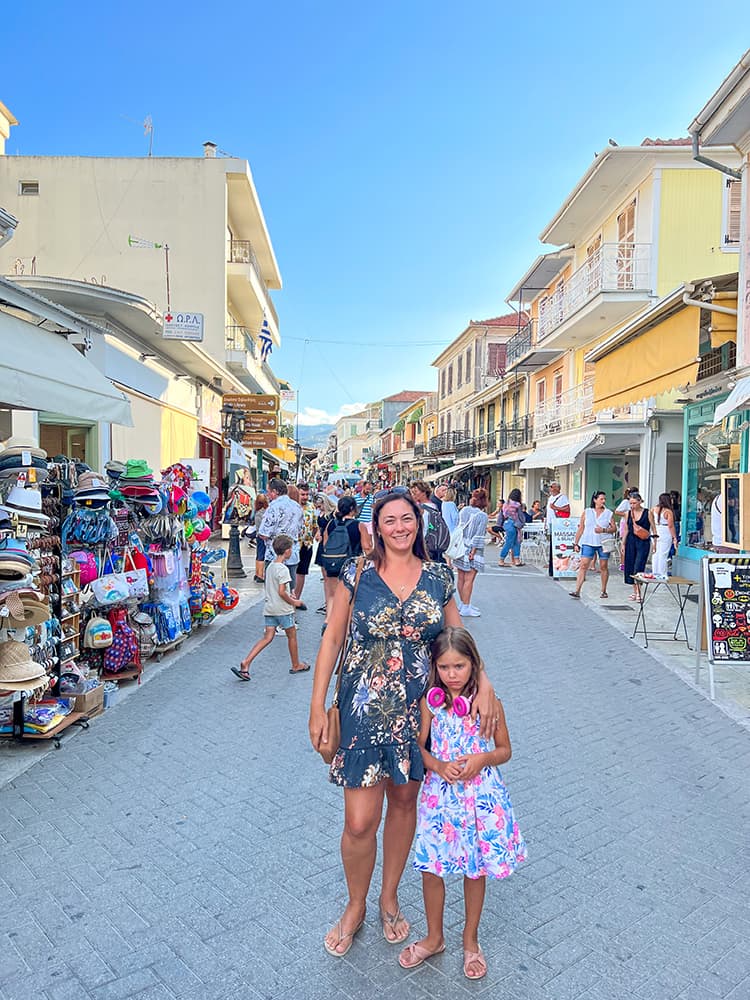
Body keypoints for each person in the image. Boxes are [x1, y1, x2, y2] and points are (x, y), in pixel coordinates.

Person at [308, 490, 501, 958]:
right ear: (376, 527)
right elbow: (333, 637)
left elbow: (458, 642)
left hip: (421, 712)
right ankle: (354, 904)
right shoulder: (358, 573)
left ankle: (388, 896)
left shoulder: (438, 577)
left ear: (419, 522)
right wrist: (317, 706)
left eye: (407, 518)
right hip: (362, 708)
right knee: (358, 821)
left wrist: (487, 684)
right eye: (389, 520)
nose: (399, 527)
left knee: (403, 801)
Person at [400, 627, 526, 980]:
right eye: (444, 667)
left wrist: (481, 760)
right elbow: (419, 748)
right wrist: (438, 765)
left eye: (459, 666)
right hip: (440, 797)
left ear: (474, 664)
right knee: (431, 866)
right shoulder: (430, 702)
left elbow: (505, 750)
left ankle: (471, 940)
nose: (452, 675)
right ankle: (434, 936)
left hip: (479, 800)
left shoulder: (488, 702)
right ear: (434, 668)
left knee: (475, 868)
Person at [231, 534, 309, 680]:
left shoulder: (271, 567)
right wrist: (294, 602)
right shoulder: (283, 569)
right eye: (291, 549)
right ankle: (296, 664)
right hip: (283, 609)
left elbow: (275, 589)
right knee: (292, 636)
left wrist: (288, 593)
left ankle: (246, 662)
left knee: (267, 637)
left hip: (270, 608)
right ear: (287, 551)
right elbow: (281, 591)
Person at [321, 496, 362, 629]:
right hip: (351, 565)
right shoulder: (358, 526)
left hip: (333, 563)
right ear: (352, 509)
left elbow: (325, 543)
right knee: (350, 596)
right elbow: (367, 547)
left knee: (332, 594)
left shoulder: (331, 524)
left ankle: (328, 620)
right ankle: (346, 624)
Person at [569, 491, 616, 599]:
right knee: (584, 565)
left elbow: (614, 528)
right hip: (588, 541)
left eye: (604, 499)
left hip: (603, 542)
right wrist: (576, 542)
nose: (603, 501)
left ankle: (603, 590)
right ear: (595, 500)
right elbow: (581, 527)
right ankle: (577, 590)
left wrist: (603, 529)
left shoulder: (608, 513)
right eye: (601, 499)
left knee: (603, 566)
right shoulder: (587, 512)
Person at [453, 488, 489, 616]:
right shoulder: (482, 516)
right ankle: (466, 606)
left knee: (461, 577)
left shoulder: (464, 510)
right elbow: (479, 536)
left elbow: (458, 526)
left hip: (461, 547)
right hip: (472, 549)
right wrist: (473, 551)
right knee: (469, 579)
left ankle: (463, 603)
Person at [259, 478, 304, 583]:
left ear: (275, 492)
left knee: (274, 591)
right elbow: (301, 530)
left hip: (274, 555)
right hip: (292, 554)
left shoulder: (273, 507)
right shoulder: (297, 506)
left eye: (268, 492)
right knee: (290, 589)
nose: (267, 495)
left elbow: (264, 533)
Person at [410, 480, 450, 563]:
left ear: (424, 493)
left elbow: (424, 530)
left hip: (424, 548)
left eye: (415, 492)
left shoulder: (424, 510)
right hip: (432, 547)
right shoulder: (433, 506)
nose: (413, 495)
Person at [623, 492, 653, 601]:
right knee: (630, 566)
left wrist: (655, 543)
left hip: (643, 541)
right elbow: (626, 528)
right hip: (631, 540)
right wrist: (623, 542)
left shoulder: (647, 513)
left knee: (639, 566)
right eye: (630, 503)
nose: (632, 505)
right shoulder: (628, 513)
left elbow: (653, 527)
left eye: (634, 503)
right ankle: (635, 592)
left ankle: (639, 592)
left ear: (640, 501)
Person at [294, 482, 317, 599]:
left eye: (307, 494)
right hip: (293, 544)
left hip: (306, 545)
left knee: (302, 572)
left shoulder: (311, 507)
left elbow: (315, 525)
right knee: (290, 571)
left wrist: (312, 537)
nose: (305, 497)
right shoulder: (292, 506)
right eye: (302, 494)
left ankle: (297, 598)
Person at [545, 482, 570, 577]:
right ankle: (552, 566)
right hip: (551, 523)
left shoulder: (562, 497)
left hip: (558, 524)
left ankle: (557, 566)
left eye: (552, 487)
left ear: (557, 488)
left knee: (556, 546)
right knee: (551, 545)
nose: (550, 489)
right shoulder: (550, 498)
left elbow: (567, 509)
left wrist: (556, 507)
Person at [651, 492, 678, 579]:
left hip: (655, 530)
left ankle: (655, 572)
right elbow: (671, 525)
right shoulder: (668, 511)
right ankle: (662, 574)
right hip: (665, 531)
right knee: (663, 554)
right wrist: (674, 537)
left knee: (655, 553)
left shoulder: (653, 509)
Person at [498, 488, 524, 568]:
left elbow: (501, 515)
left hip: (507, 523)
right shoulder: (518, 505)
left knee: (510, 542)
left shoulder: (506, 504)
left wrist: (499, 524)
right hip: (515, 524)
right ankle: (505, 560)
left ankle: (506, 559)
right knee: (515, 542)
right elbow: (520, 516)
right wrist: (522, 523)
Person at [253, 494, 269, 584]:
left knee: (259, 554)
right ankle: (260, 575)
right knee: (262, 555)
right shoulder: (265, 512)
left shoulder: (257, 512)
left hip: (258, 535)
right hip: (263, 536)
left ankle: (257, 573)